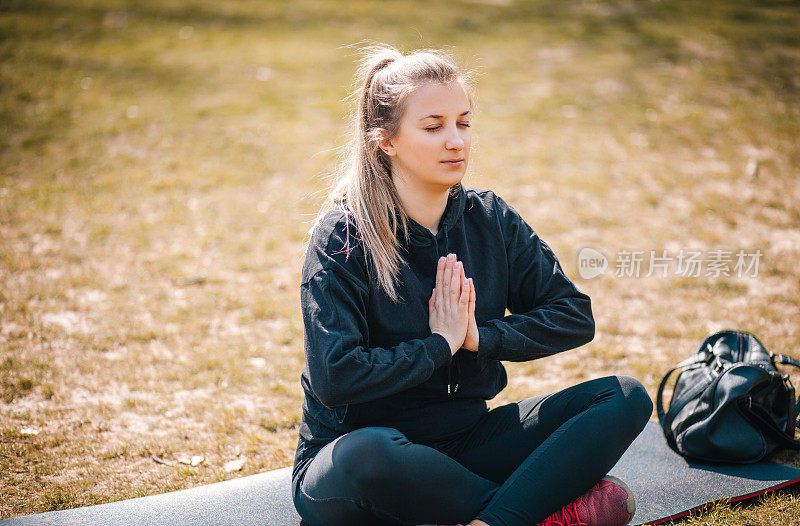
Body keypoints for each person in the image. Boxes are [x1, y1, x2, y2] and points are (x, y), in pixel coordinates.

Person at [291, 43, 653, 526]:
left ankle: (493, 519)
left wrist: (479, 337)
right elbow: (336, 378)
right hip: (361, 461)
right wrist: (440, 344)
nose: (456, 141)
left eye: (463, 122)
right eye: (433, 126)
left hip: (467, 442)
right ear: (387, 141)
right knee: (370, 453)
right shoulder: (342, 238)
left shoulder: (489, 220)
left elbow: (573, 315)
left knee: (623, 397)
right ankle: (536, 509)